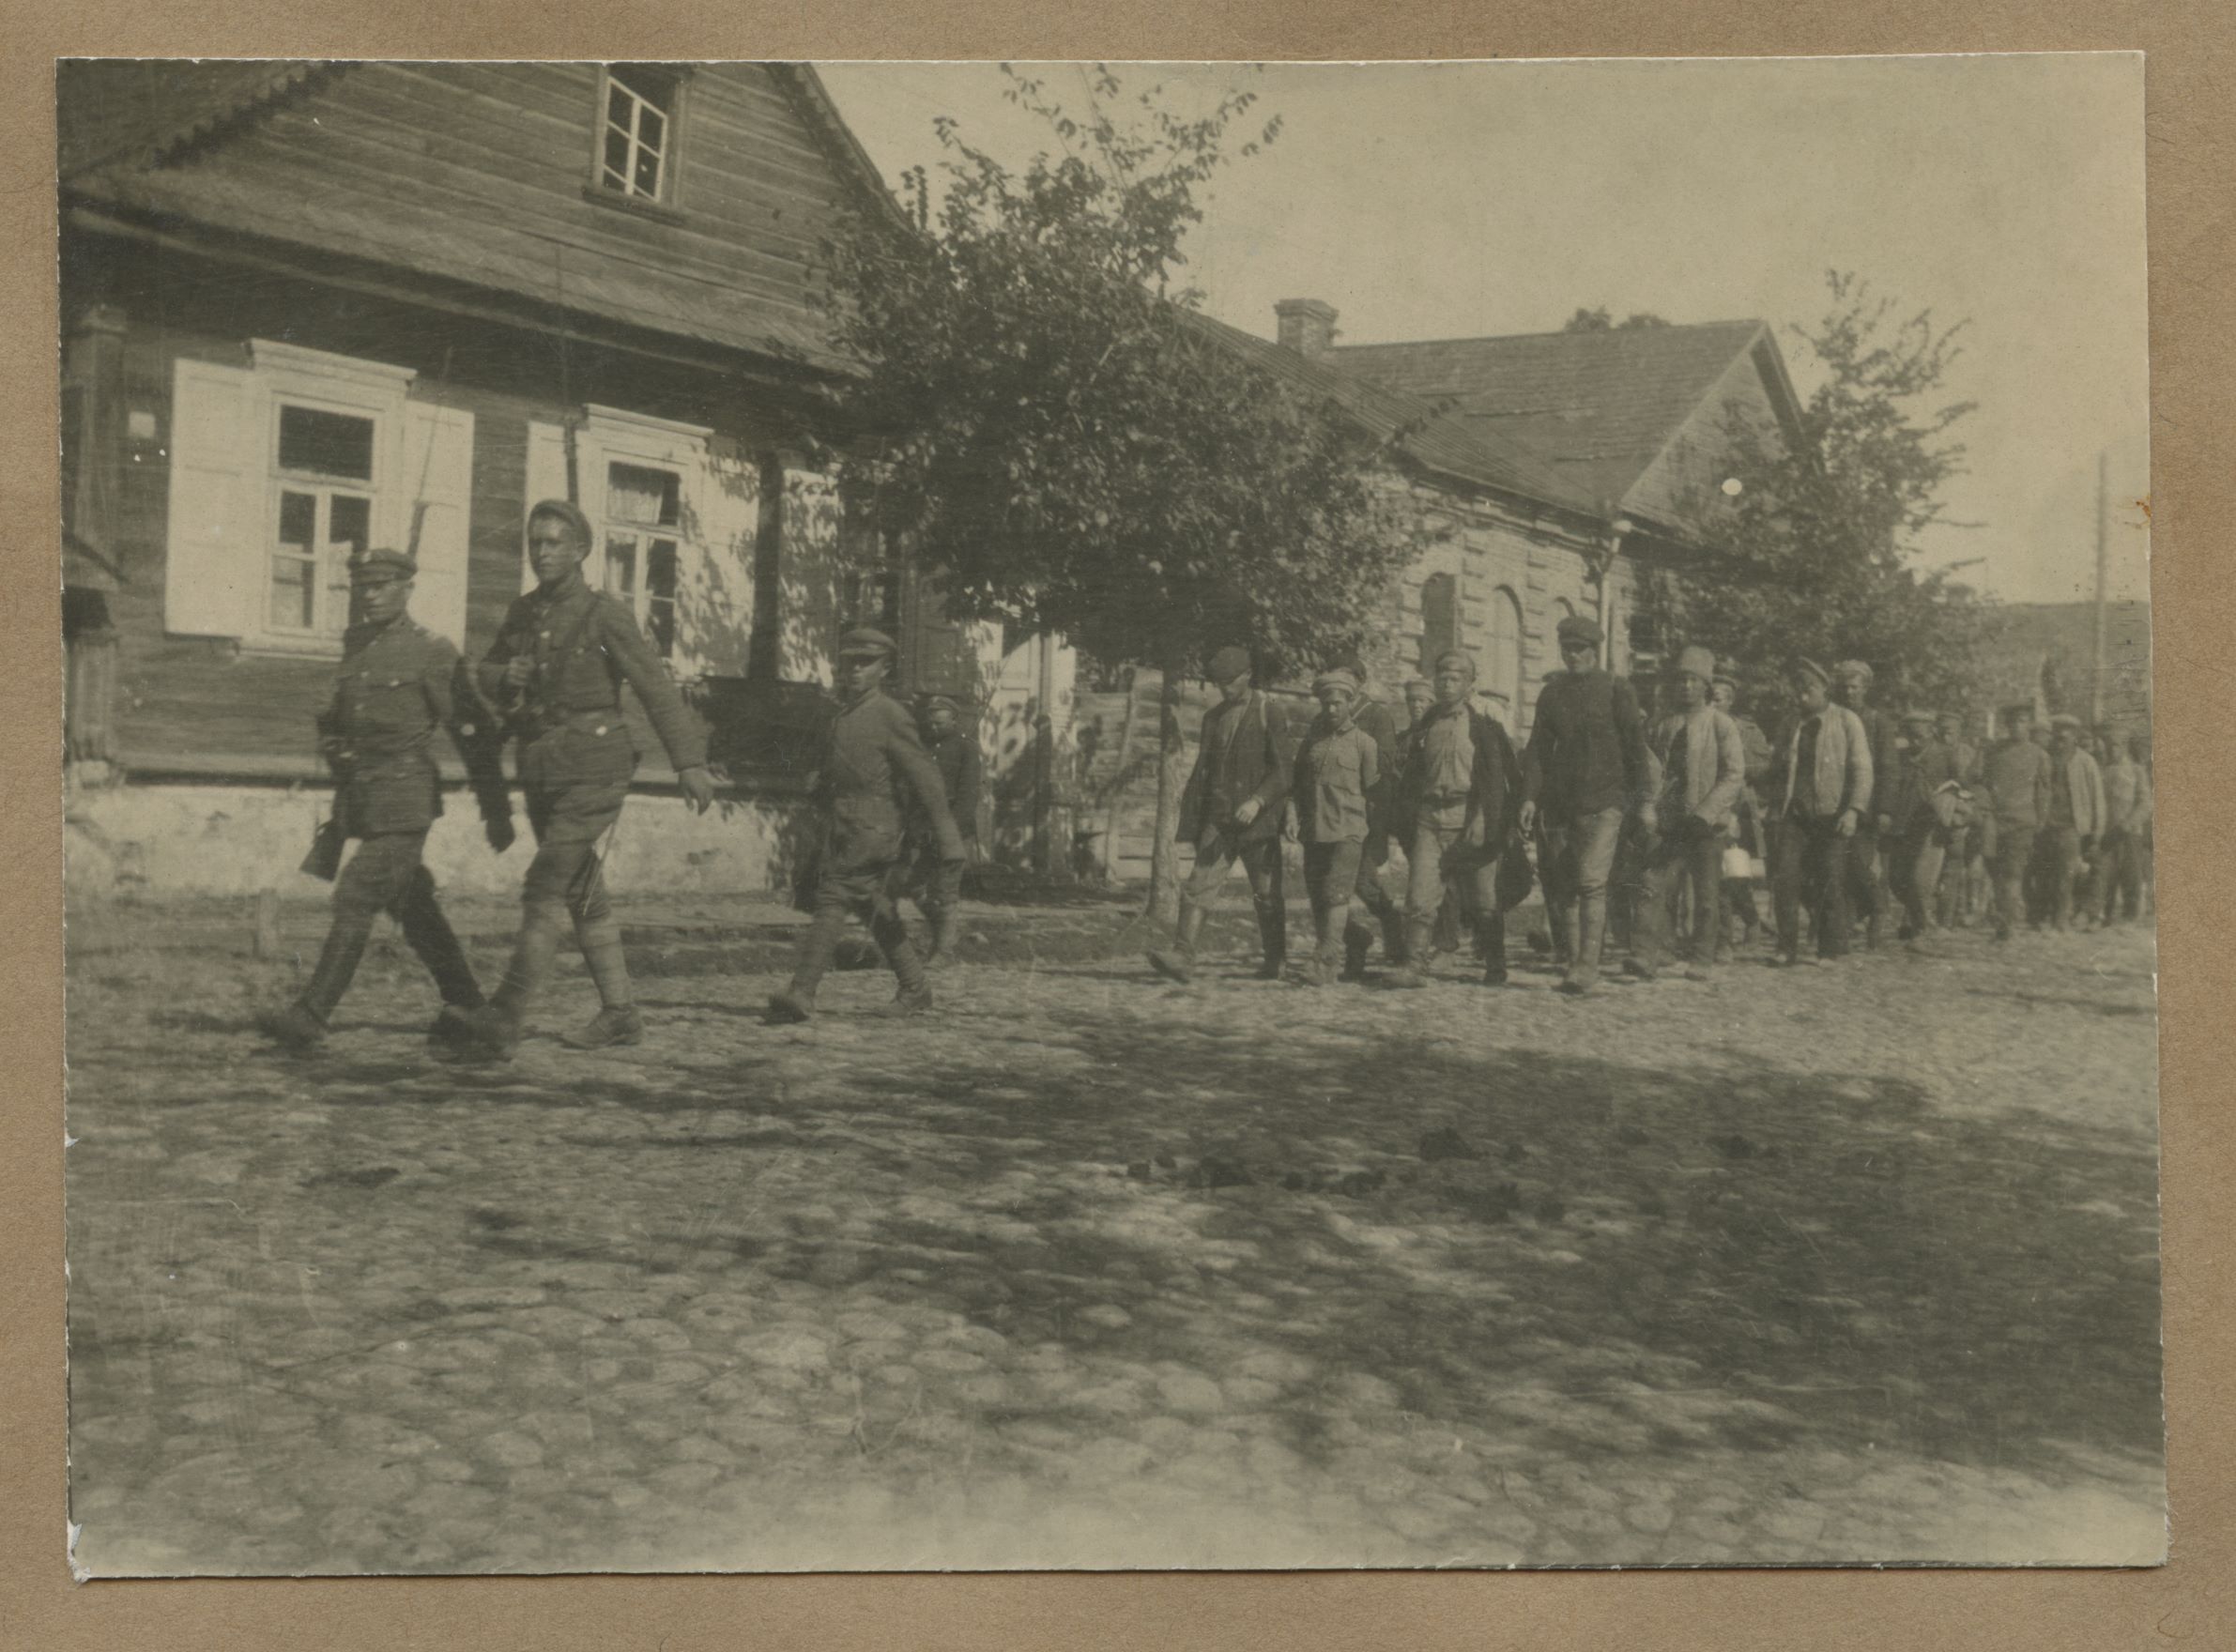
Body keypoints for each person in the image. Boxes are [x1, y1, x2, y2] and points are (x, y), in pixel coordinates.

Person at [452, 501, 717, 1061]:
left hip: (595, 765)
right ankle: (621, 1013)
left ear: (581, 550)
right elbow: (487, 669)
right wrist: (507, 674)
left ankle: (505, 1017)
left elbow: (654, 687)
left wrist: (688, 762)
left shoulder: (603, 616)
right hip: (543, 765)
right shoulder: (523, 612)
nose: (542, 552)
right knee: (578, 886)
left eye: (553, 543)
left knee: (546, 884)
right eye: (535, 542)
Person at [255, 548, 512, 1053]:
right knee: (411, 903)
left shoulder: (433, 651)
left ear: (407, 588)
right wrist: (330, 735)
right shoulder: (356, 644)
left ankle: (311, 1014)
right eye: (362, 587)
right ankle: (472, 1010)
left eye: (381, 585)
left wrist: (495, 809)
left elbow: (474, 732)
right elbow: (341, 716)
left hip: (405, 799)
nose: (369, 595)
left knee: (356, 894)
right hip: (361, 800)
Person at [771, 629, 965, 1021]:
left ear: (885, 668)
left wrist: (948, 834)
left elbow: (924, 774)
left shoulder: (890, 714)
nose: (855, 670)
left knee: (834, 895)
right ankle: (915, 987)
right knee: (873, 903)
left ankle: (802, 991)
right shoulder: (845, 712)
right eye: (850, 663)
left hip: (874, 825)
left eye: (866, 663)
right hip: (845, 824)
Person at [1147, 645, 1297, 985]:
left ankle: (1276, 961)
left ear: (1247, 676)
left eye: (1229, 681)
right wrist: (1198, 818)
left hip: (1257, 821)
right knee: (1199, 883)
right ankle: (1183, 956)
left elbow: (1285, 770)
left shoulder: (1268, 711)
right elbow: (1205, 770)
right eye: (1218, 682)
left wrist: (1258, 800)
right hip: (1220, 818)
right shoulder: (1211, 718)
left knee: (1265, 892)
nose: (1223, 688)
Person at [1519, 615, 1652, 994]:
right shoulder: (1552, 693)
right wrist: (1529, 797)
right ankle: (1575, 961)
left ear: (1595, 650)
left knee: (1591, 882)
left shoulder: (1616, 689)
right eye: (1567, 648)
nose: (1572, 655)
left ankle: (1587, 966)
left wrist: (1643, 802)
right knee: (1566, 884)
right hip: (1562, 804)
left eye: (1579, 649)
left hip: (1607, 800)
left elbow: (1635, 750)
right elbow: (1539, 750)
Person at [1387, 649, 1521, 989]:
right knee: (1419, 897)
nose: (1447, 683)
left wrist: (1482, 821)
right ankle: (1414, 965)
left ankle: (1495, 963)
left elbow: (1497, 781)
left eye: (1456, 677)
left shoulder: (1484, 726)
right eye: (1442, 676)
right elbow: (1410, 776)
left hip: (1469, 820)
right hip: (1430, 819)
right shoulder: (1426, 725)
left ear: (1469, 684)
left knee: (1483, 901)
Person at [1626, 646, 1746, 981]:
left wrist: (1706, 812)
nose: (1687, 688)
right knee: (1655, 885)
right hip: (1669, 820)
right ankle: (1648, 953)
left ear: (1706, 686)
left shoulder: (1721, 725)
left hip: (1706, 825)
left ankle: (1702, 956)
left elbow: (1734, 774)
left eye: (1694, 681)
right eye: (1681, 681)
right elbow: (1651, 769)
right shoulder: (1663, 725)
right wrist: (1648, 805)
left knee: (1706, 892)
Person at [1767, 657, 1873, 966]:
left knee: (1830, 877)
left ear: (1824, 689)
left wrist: (1853, 810)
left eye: (1808, 688)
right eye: (1797, 689)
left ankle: (1829, 948)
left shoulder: (1846, 720)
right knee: (1785, 879)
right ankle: (1786, 948)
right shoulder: (1790, 724)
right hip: (1795, 813)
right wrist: (1774, 806)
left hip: (1832, 814)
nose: (1802, 695)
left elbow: (1862, 769)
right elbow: (1778, 768)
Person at [1292, 668, 1383, 986]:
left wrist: (1371, 835)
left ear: (1350, 703)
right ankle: (1356, 939)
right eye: (1326, 703)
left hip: (1349, 830)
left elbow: (1373, 793)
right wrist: (1294, 815)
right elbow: (1299, 783)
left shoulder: (1364, 744)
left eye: (1338, 704)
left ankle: (1325, 961)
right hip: (1315, 829)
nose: (1331, 709)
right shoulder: (1312, 741)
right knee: (1319, 896)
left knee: (1336, 894)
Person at [1333, 659, 1411, 978]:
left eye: (1346, 679)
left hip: (1361, 813)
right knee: (1324, 885)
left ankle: (1390, 929)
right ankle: (1356, 939)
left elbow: (1386, 764)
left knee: (1361, 882)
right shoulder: (1327, 713)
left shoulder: (1376, 716)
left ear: (1360, 683)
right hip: (1327, 813)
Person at [903, 694, 982, 966]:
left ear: (955, 721)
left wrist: (950, 831)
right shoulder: (924, 747)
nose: (934, 727)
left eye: (940, 723)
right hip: (925, 828)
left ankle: (943, 952)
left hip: (952, 830)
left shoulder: (967, 749)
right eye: (931, 723)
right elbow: (914, 791)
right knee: (914, 885)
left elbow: (967, 795)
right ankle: (943, 933)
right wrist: (914, 827)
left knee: (945, 890)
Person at [1831, 660, 1899, 950]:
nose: (1849, 693)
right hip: (1835, 804)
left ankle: (1879, 909)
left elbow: (1888, 768)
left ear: (1866, 689)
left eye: (1855, 688)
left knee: (1858, 863)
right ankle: (1844, 928)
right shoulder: (1833, 718)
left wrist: (1884, 809)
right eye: (1845, 687)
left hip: (1868, 807)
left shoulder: (1877, 721)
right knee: (1838, 867)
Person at [1978, 703, 2053, 942]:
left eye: (2021, 721)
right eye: (2012, 722)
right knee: (1995, 873)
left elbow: (2043, 791)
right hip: (1993, 822)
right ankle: (2004, 916)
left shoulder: (2039, 755)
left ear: (2029, 725)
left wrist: (2040, 821)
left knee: (2012, 874)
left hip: (2022, 823)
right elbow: (1979, 781)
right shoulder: (1994, 752)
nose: (2016, 726)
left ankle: (2007, 925)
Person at [1711, 673, 1773, 950]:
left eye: (1717, 698)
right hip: (1704, 806)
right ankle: (1717, 936)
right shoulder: (1697, 725)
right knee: (1710, 874)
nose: (1711, 703)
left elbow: (1762, 769)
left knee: (1732, 874)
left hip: (1736, 807)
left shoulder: (1746, 730)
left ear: (1730, 700)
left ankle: (1749, 921)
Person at [1887, 708, 1959, 945]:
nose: (1916, 742)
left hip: (1932, 825)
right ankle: (1917, 917)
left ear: (1931, 733)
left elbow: (1968, 788)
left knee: (1920, 880)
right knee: (1897, 879)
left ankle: (1921, 929)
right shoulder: (1899, 756)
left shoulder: (1946, 755)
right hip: (1902, 824)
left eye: (1921, 736)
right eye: (1911, 736)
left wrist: (1954, 803)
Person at [2035, 712, 2106, 931]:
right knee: (2045, 872)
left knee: (2066, 875)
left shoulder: (2086, 761)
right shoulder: (2044, 758)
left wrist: (2097, 831)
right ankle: (2043, 916)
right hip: (2046, 824)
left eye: (2066, 735)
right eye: (2057, 735)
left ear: (2075, 736)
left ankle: (2061, 919)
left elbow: (2097, 798)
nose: (2061, 740)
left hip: (2072, 826)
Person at [1934, 709, 1983, 927]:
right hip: (1934, 816)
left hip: (1960, 818)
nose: (1946, 737)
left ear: (1959, 732)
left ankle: (1950, 917)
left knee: (1955, 867)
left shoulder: (1968, 754)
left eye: (1951, 732)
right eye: (1942, 732)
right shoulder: (1932, 751)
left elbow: (1976, 786)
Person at [2099, 733, 2151, 925]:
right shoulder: (2104, 770)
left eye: (2117, 745)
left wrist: (2129, 823)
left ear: (2124, 746)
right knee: (2107, 872)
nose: (2113, 750)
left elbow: (2145, 803)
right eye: (2110, 746)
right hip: (2108, 830)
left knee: (2131, 872)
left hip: (2130, 831)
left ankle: (2130, 913)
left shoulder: (2136, 771)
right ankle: (2107, 912)